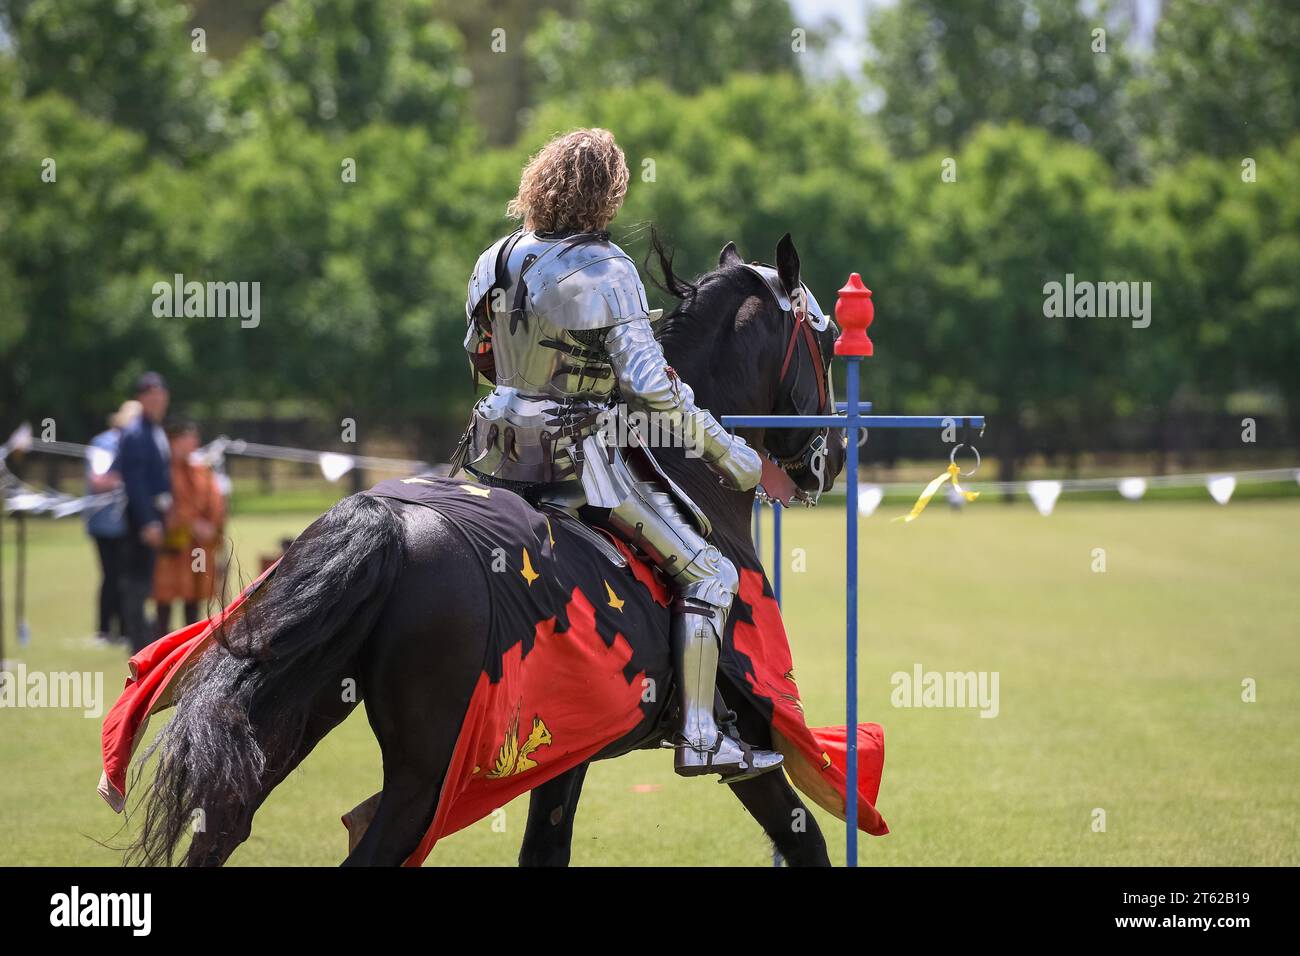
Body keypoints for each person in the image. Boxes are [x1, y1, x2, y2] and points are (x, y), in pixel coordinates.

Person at [452, 129, 781, 782]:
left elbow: (479, 352)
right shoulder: (607, 268)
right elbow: (655, 388)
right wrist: (731, 451)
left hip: (488, 451)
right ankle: (698, 734)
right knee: (710, 573)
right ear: (608, 194)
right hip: (575, 468)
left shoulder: (494, 257)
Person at [114, 372, 171, 653]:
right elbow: (134, 482)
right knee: (136, 582)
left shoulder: (155, 430)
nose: (156, 400)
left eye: (160, 395)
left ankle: (142, 638)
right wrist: (148, 521)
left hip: (156, 513)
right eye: (150, 396)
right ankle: (137, 642)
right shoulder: (135, 432)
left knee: (146, 580)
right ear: (141, 399)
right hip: (141, 517)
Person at [152, 419, 225, 637]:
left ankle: (189, 643)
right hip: (173, 543)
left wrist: (212, 525)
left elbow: (215, 500)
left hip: (198, 546)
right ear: (173, 441)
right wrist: (192, 523)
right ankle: (160, 643)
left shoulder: (201, 470)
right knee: (164, 596)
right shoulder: (162, 471)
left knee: (195, 594)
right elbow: (167, 504)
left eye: (194, 438)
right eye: (187, 438)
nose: (193, 442)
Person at [84, 400, 141, 644]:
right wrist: (131, 477)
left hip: (127, 522)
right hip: (105, 523)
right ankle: (105, 628)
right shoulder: (103, 444)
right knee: (111, 575)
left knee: (125, 576)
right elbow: (99, 481)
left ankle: (125, 628)